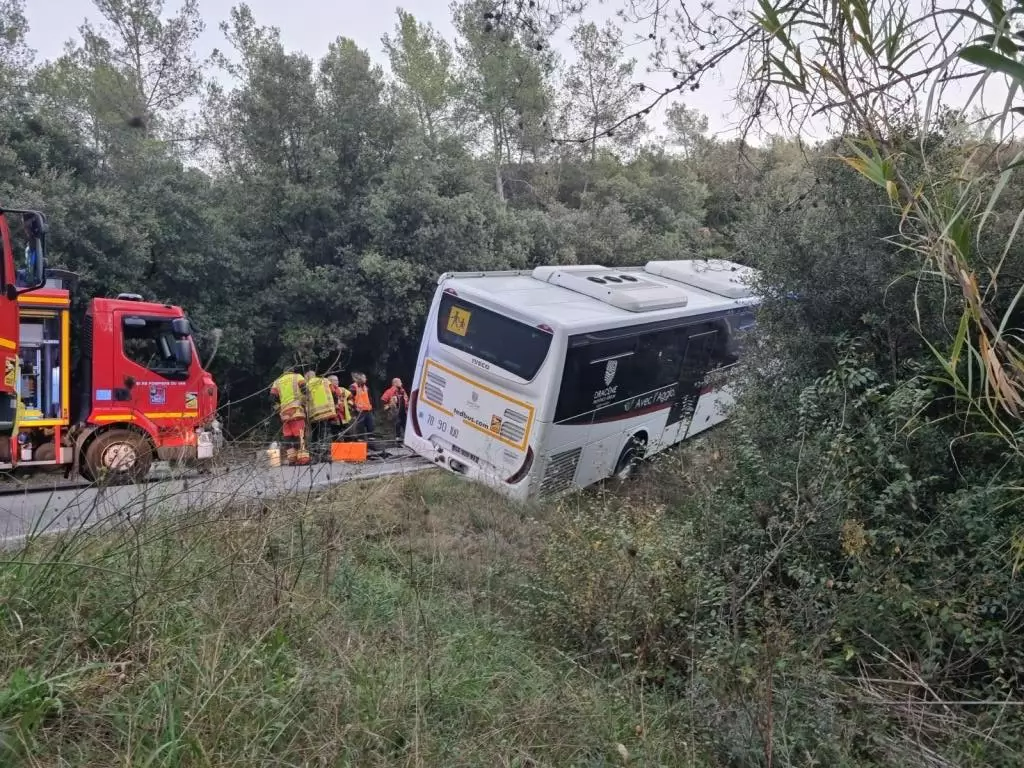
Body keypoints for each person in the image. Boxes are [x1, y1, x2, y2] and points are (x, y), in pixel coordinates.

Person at [270, 366, 310, 466]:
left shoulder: (277, 382)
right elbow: (305, 389)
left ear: (284, 372)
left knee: (288, 437)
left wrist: (278, 408)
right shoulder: (297, 377)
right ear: (293, 371)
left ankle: (292, 460)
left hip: (284, 413)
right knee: (300, 435)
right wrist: (304, 400)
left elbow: (272, 398)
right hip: (297, 411)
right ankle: (303, 459)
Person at [304, 370, 337, 461]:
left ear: (307, 376)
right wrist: (334, 405)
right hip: (327, 412)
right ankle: (324, 455)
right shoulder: (325, 381)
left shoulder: (307, 385)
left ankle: (315, 455)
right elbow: (334, 392)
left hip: (314, 414)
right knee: (324, 434)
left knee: (315, 434)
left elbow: (304, 399)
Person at [328, 374, 355, 439]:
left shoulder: (342, 390)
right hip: (333, 418)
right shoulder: (327, 392)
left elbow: (351, 397)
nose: (337, 382)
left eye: (337, 380)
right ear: (330, 382)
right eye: (335, 380)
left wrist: (349, 405)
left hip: (344, 417)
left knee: (348, 436)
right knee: (335, 437)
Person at [350, 372, 374, 439]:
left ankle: (371, 442)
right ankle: (361, 441)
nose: (366, 379)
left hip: (368, 410)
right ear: (360, 378)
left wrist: (371, 406)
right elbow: (350, 399)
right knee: (360, 427)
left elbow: (369, 398)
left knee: (371, 426)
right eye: (364, 377)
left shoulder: (366, 387)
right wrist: (355, 408)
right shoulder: (353, 387)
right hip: (359, 411)